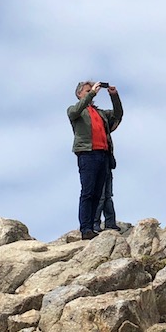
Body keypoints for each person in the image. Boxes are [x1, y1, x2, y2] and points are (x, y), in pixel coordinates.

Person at [68, 81, 123, 239]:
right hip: (87, 154)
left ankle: (92, 227)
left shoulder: (100, 113)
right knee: (88, 192)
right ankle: (86, 228)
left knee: (99, 194)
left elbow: (118, 114)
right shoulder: (74, 110)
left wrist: (114, 96)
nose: (91, 92)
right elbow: (75, 111)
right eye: (87, 91)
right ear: (79, 94)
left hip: (103, 155)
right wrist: (92, 92)